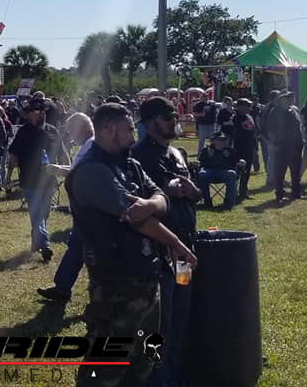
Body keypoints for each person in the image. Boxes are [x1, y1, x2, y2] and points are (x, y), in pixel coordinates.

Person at [68, 102, 196, 387]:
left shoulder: (130, 164)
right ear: (109, 130)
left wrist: (151, 204)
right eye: (128, 130)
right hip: (115, 284)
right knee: (105, 370)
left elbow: (160, 199)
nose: (133, 136)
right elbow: (134, 218)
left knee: (141, 366)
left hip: (147, 279)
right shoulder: (92, 171)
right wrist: (175, 242)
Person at [132, 96, 201, 385]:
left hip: (183, 251)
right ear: (149, 123)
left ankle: (175, 376)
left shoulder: (177, 153)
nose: (174, 120)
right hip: (159, 254)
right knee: (161, 322)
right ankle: (157, 380)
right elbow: (136, 205)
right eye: (166, 117)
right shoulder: (138, 157)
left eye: (174, 115)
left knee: (181, 316)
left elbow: (195, 196)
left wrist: (193, 191)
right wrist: (165, 190)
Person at [37, 112, 94, 303]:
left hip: (89, 209)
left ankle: (65, 289)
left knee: (82, 249)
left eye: (71, 131)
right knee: (76, 247)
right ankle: (62, 288)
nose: (70, 136)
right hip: (84, 208)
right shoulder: (88, 146)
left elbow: (79, 173)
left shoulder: (90, 146)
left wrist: (57, 170)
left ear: (80, 128)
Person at [7, 99, 70, 262]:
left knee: (44, 214)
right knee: (37, 214)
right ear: (29, 114)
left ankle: (36, 242)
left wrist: (70, 171)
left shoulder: (53, 131)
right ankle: (45, 245)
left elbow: (62, 153)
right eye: (37, 111)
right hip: (29, 181)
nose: (41, 113)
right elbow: (13, 155)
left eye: (43, 111)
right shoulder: (23, 132)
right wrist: (8, 177)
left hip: (49, 182)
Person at [268, 92, 305, 201]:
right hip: (281, 146)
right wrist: (274, 144)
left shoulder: (293, 110)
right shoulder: (275, 112)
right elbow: (270, 130)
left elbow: (299, 125)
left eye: (289, 98)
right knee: (280, 171)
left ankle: (296, 192)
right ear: (281, 100)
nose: (289, 100)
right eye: (286, 98)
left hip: (295, 146)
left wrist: (301, 139)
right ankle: (279, 194)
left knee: (295, 171)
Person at [197, 132, 241, 209]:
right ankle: (206, 201)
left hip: (225, 172)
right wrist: (196, 163)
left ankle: (228, 202)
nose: (221, 142)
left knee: (232, 173)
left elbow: (236, 162)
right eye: (219, 140)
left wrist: (241, 162)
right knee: (202, 174)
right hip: (209, 172)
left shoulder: (229, 150)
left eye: (223, 140)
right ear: (213, 141)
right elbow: (200, 163)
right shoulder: (206, 150)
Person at [229, 98, 258, 198]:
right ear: (240, 107)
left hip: (249, 147)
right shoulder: (235, 118)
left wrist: (255, 147)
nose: (249, 108)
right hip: (239, 148)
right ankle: (233, 191)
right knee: (238, 171)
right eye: (247, 106)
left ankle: (243, 192)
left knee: (247, 171)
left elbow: (252, 132)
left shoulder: (249, 117)